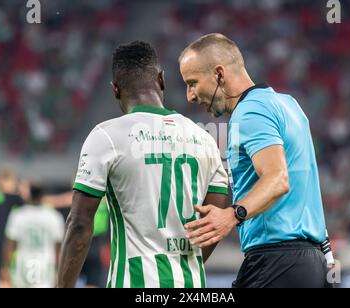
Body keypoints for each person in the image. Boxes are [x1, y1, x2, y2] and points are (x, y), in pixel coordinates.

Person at [57, 41, 229, 288]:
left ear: (115, 89)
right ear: (161, 80)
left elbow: (80, 223)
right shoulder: (204, 139)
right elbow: (214, 225)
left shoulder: (106, 137)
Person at [179, 33, 332, 288]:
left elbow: (278, 178)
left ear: (219, 74)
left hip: (277, 262)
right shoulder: (288, 105)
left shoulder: (250, 112)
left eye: (192, 82)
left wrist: (232, 215)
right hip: (310, 262)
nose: (190, 96)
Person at [0, 182, 65, 288]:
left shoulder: (19, 215)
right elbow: (58, 249)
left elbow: (10, 244)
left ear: (29, 195)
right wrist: (59, 271)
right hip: (46, 266)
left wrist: (5, 267)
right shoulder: (54, 216)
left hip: (22, 265)